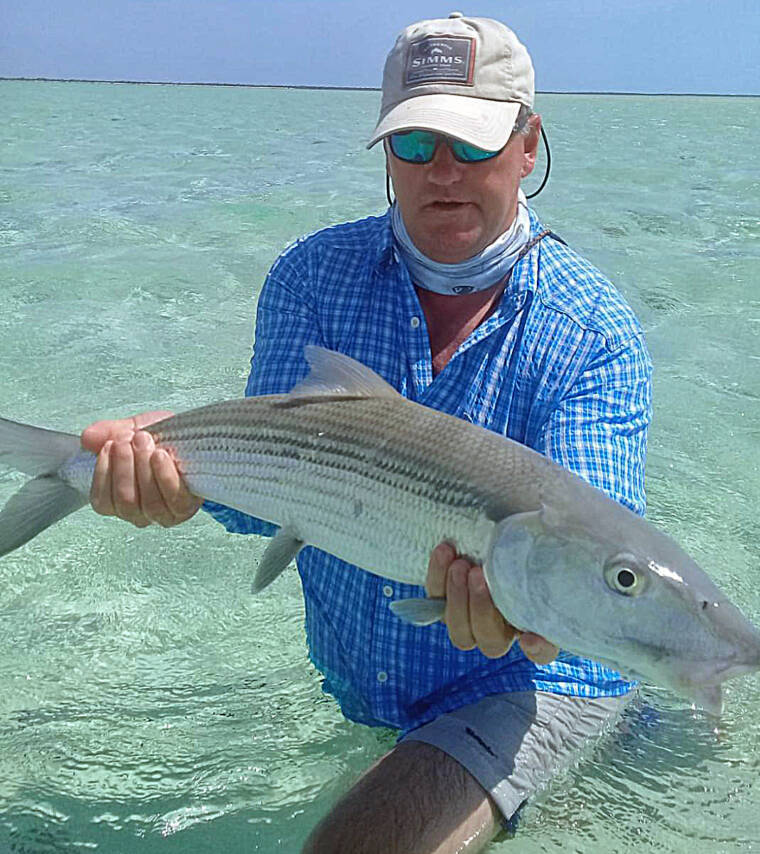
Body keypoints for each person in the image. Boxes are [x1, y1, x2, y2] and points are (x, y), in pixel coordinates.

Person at [82, 13, 652, 854]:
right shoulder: (312, 276)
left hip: (534, 682)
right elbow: (264, 496)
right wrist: (177, 486)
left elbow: (583, 567)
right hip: (358, 682)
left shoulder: (593, 331)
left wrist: (535, 616)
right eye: (415, 146)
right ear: (388, 154)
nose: (443, 174)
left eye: (475, 143)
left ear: (528, 146)